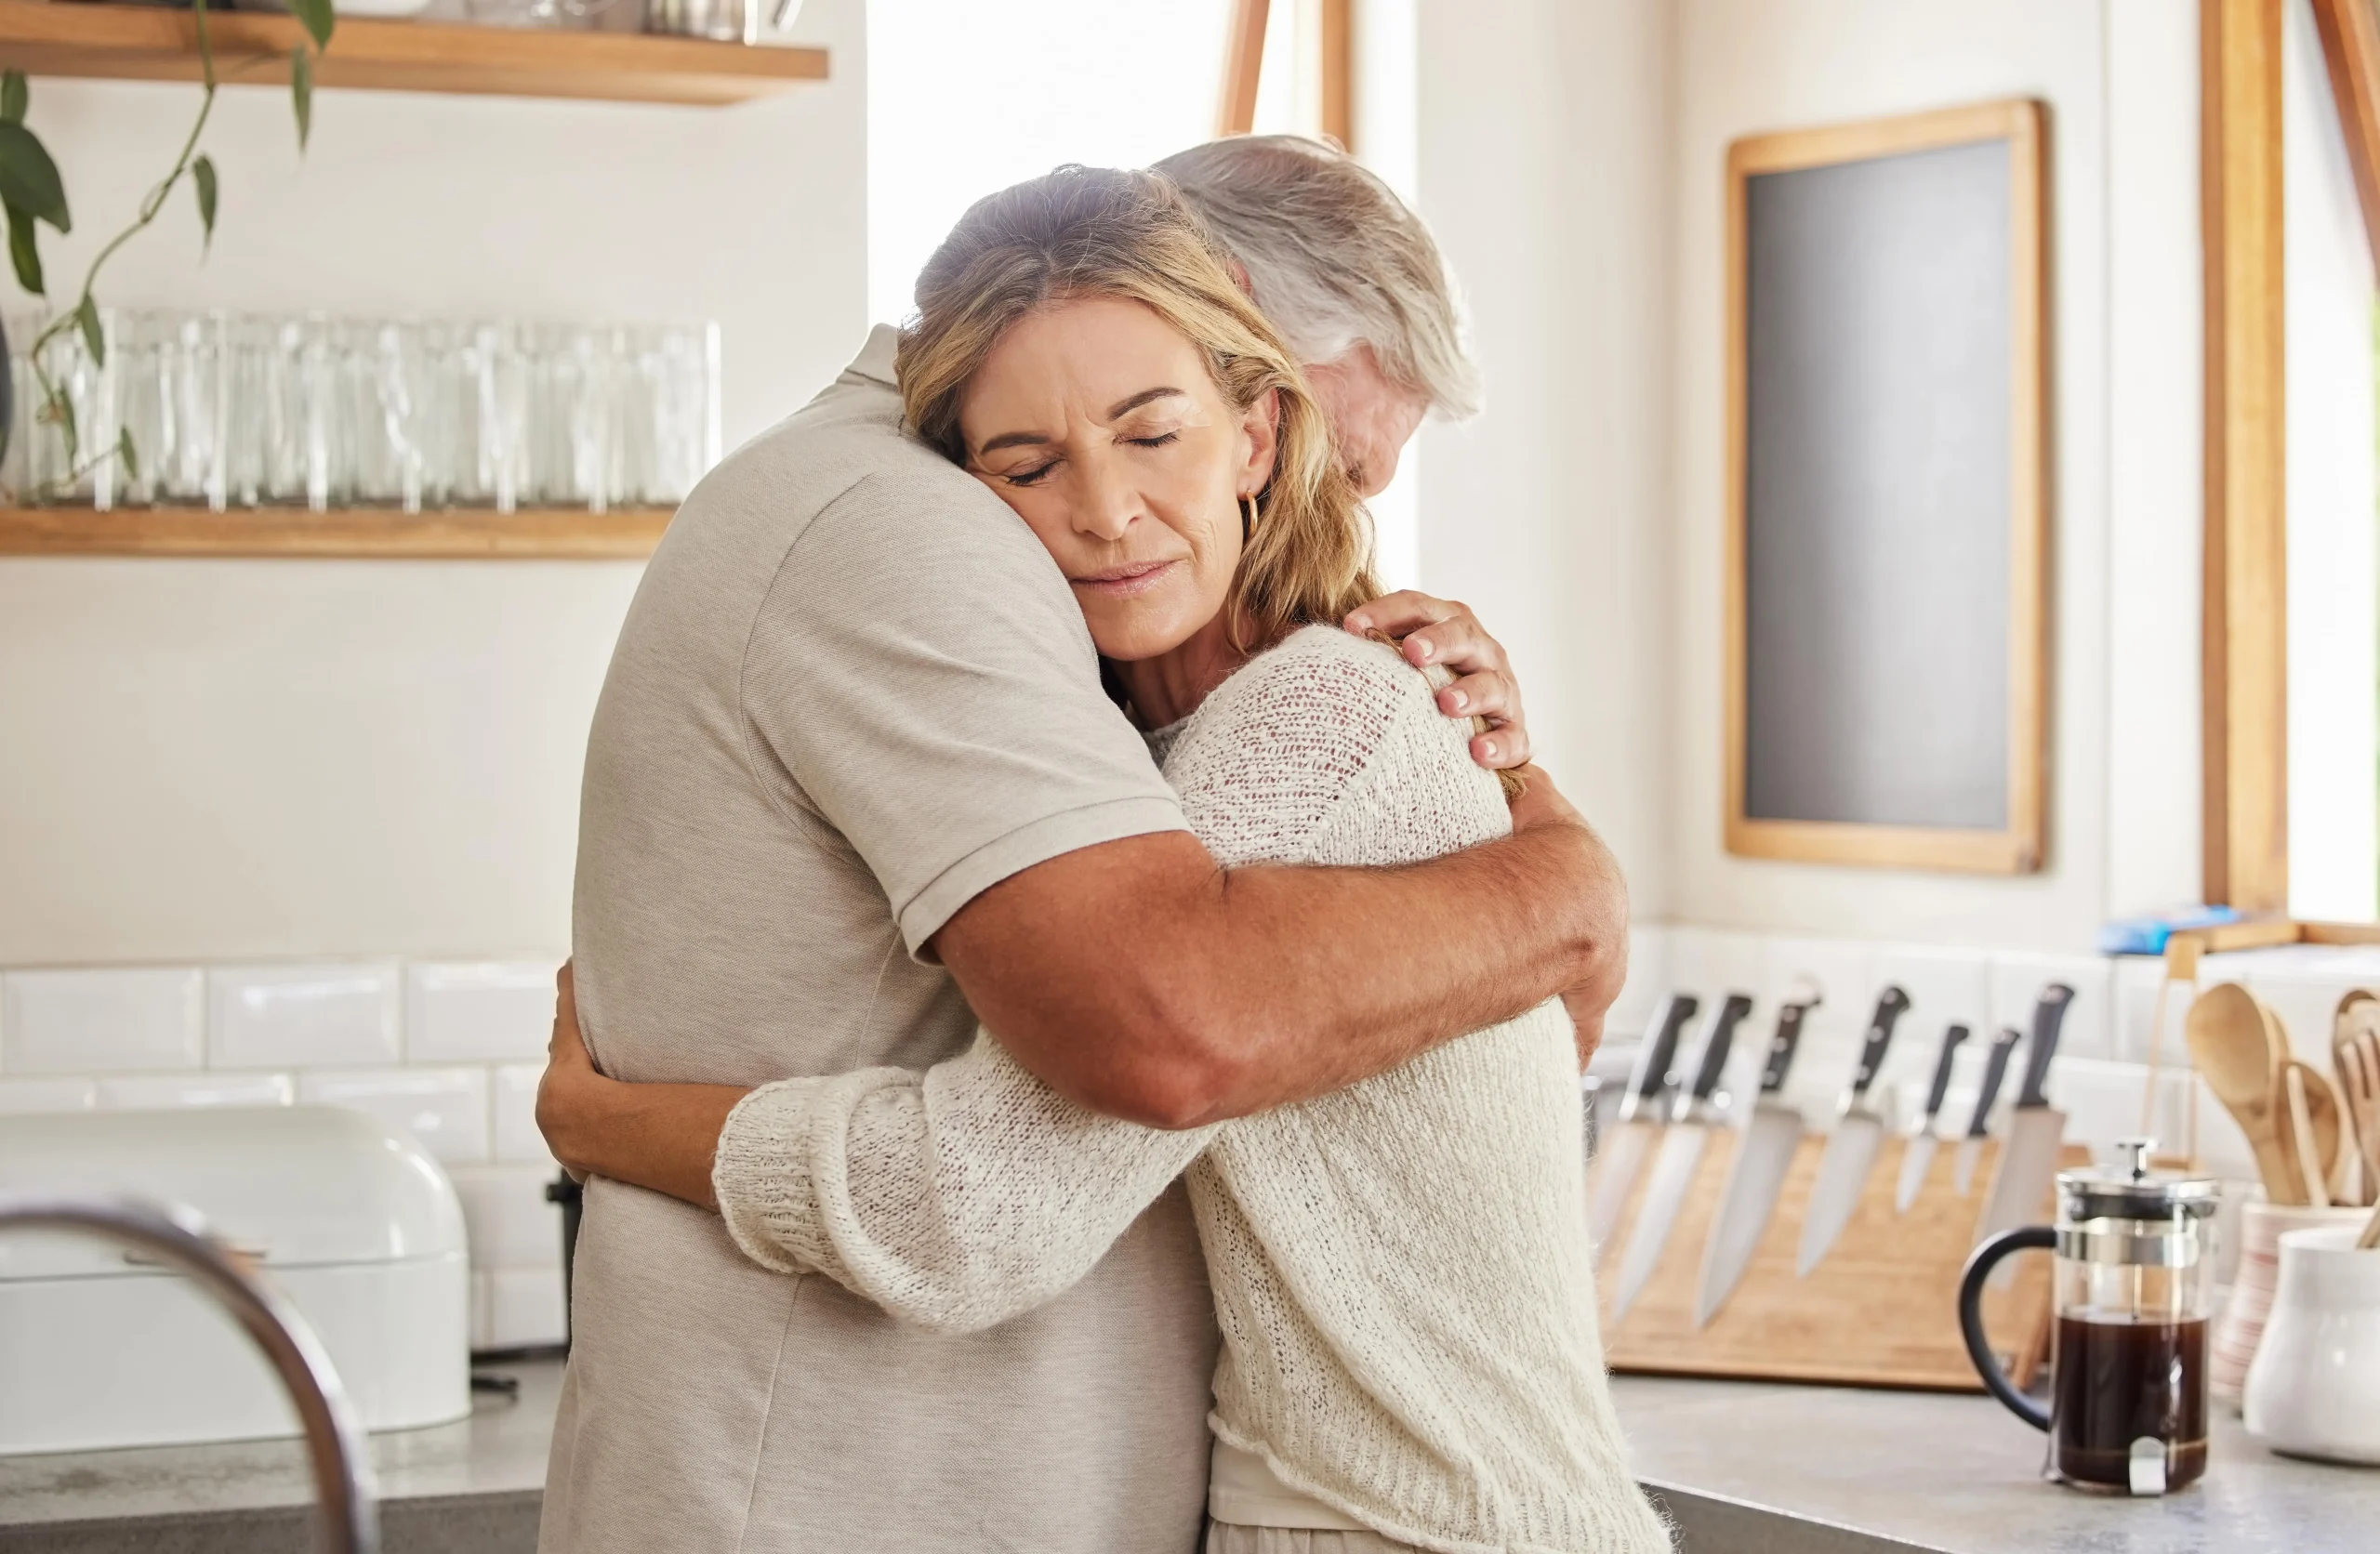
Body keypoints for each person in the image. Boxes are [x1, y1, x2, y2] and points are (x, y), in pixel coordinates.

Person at [543, 165, 1670, 1554]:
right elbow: (1136, 1067)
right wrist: (1555, 868)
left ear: (1250, 430)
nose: (1111, 511)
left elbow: (978, 1198)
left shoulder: (1316, 711)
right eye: (1030, 462)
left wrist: (606, 1123)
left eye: (1160, 436)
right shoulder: (1090, 673)